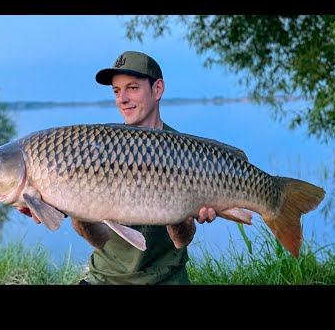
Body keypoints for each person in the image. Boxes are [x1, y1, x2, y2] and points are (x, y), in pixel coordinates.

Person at [18, 51, 217, 285]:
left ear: (158, 89)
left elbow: (181, 242)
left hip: (166, 279)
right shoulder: (93, 149)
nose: (122, 99)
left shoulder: (185, 152)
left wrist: (183, 211)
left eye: (132, 88)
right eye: (116, 91)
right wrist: (70, 205)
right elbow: (99, 241)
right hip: (104, 278)